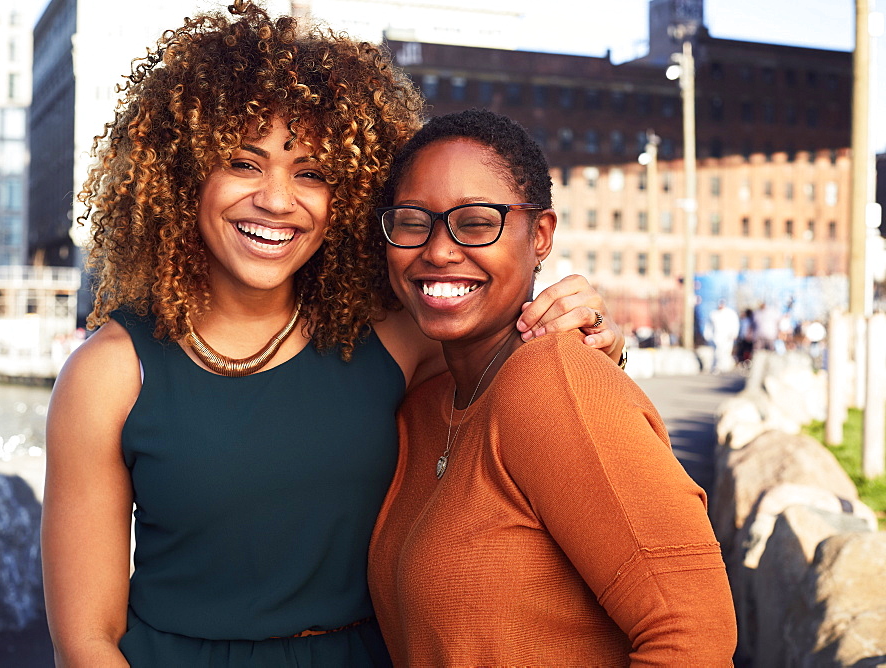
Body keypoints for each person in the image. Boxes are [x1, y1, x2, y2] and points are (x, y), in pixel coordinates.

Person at [40, 4, 624, 667]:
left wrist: (599, 336)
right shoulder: (109, 373)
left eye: (311, 172)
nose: (278, 200)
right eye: (243, 162)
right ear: (183, 175)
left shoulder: (399, 341)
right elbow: (85, 639)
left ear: (346, 193)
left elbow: (545, 388)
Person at [368, 109, 737, 666]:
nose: (439, 250)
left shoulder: (555, 383)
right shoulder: (423, 406)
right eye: (414, 221)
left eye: (474, 222)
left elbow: (692, 633)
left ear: (539, 234)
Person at [707, 299, 740, 373]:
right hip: (716, 337)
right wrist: (708, 335)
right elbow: (709, 326)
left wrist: (734, 333)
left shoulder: (730, 313)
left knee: (726, 352)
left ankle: (724, 367)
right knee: (717, 352)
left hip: (728, 337)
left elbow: (735, 324)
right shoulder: (714, 314)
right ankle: (716, 367)